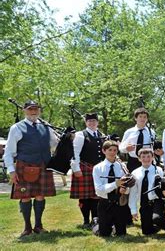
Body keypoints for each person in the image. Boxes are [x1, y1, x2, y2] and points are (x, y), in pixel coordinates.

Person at [3, 100, 59, 237]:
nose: (33, 112)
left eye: (36, 109)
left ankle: (38, 226)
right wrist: (11, 171)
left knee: (40, 196)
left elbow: (55, 144)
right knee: (25, 196)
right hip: (25, 165)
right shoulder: (17, 128)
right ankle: (27, 227)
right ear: (24, 111)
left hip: (44, 165)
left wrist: (67, 139)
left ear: (39, 110)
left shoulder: (46, 127)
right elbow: (9, 152)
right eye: (30, 109)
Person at [128, 148, 165, 235]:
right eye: (143, 157)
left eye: (148, 156)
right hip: (144, 202)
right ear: (139, 158)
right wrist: (133, 210)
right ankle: (156, 226)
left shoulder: (159, 170)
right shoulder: (135, 173)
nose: (146, 159)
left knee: (156, 218)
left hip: (157, 200)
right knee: (147, 232)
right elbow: (133, 192)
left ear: (153, 157)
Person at [70, 113, 104, 229]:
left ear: (97, 122)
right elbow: (75, 153)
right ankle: (85, 220)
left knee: (96, 195)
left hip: (98, 170)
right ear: (86, 122)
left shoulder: (101, 135)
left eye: (94, 121)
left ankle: (95, 219)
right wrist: (76, 168)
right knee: (85, 197)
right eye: (89, 121)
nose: (92, 123)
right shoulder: (81, 135)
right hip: (84, 168)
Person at [92, 140, 130, 236]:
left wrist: (125, 190)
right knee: (104, 234)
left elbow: (127, 184)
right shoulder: (97, 168)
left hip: (119, 203)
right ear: (104, 151)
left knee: (121, 234)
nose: (113, 153)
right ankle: (97, 224)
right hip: (105, 203)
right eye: (110, 150)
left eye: (115, 150)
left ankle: (113, 226)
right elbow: (99, 190)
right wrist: (115, 184)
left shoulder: (122, 166)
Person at [120, 108, 157, 173]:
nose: (142, 119)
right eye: (140, 117)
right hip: (133, 161)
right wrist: (126, 148)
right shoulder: (129, 132)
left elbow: (153, 147)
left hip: (147, 160)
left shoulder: (151, 132)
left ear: (147, 119)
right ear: (136, 118)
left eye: (144, 117)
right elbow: (121, 147)